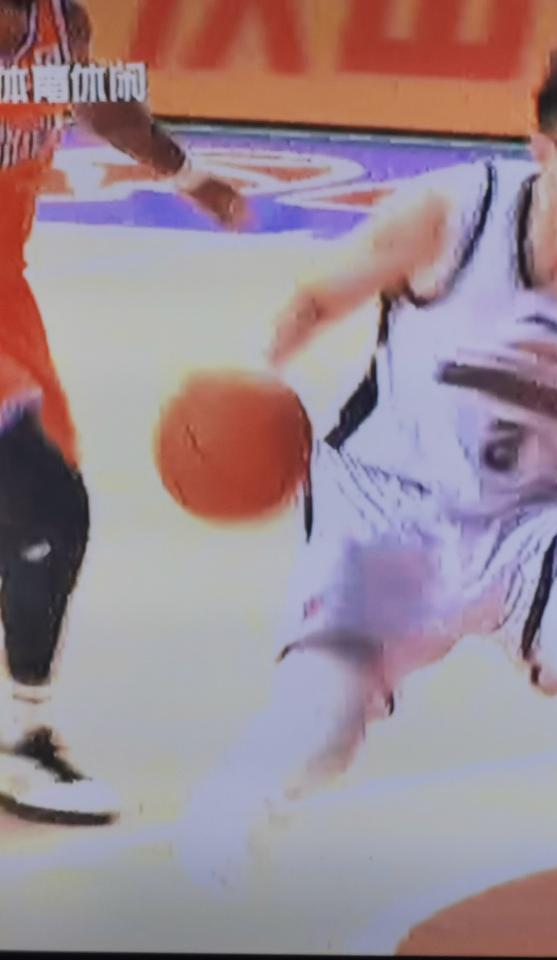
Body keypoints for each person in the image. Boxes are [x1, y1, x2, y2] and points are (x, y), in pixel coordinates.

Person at [172, 39, 557, 960]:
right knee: (320, 731)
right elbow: (317, 298)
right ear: (544, 150)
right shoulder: (451, 218)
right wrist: (254, 375)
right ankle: (213, 857)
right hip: (386, 510)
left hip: (530, 527)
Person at [0, 0, 246, 825]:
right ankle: (24, 741)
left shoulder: (56, 20)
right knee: (46, 506)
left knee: (32, 512)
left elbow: (94, 97)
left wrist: (187, 173)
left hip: (5, 298)